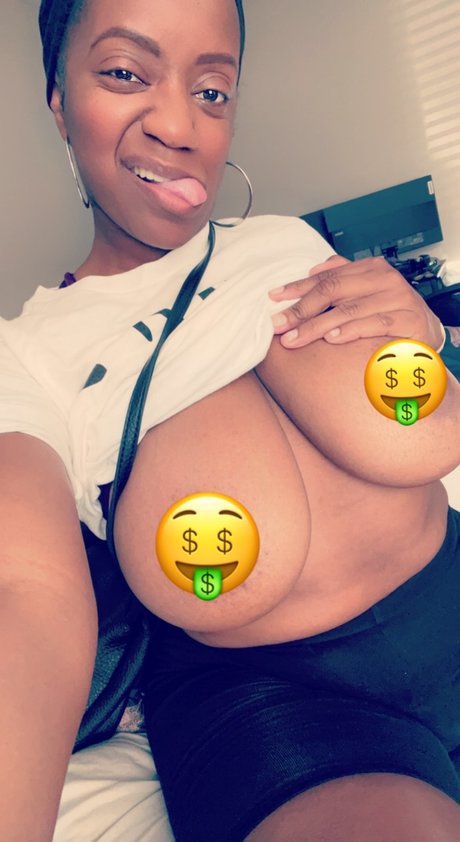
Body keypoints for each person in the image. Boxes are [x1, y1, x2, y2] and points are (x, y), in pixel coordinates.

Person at [0, 1, 459, 841]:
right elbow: (25, 593)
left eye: (211, 90)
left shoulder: (283, 244)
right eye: (125, 73)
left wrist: (427, 334)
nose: (180, 126)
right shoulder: (23, 354)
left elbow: (419, 403)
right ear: (60, 103)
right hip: (274, 705)